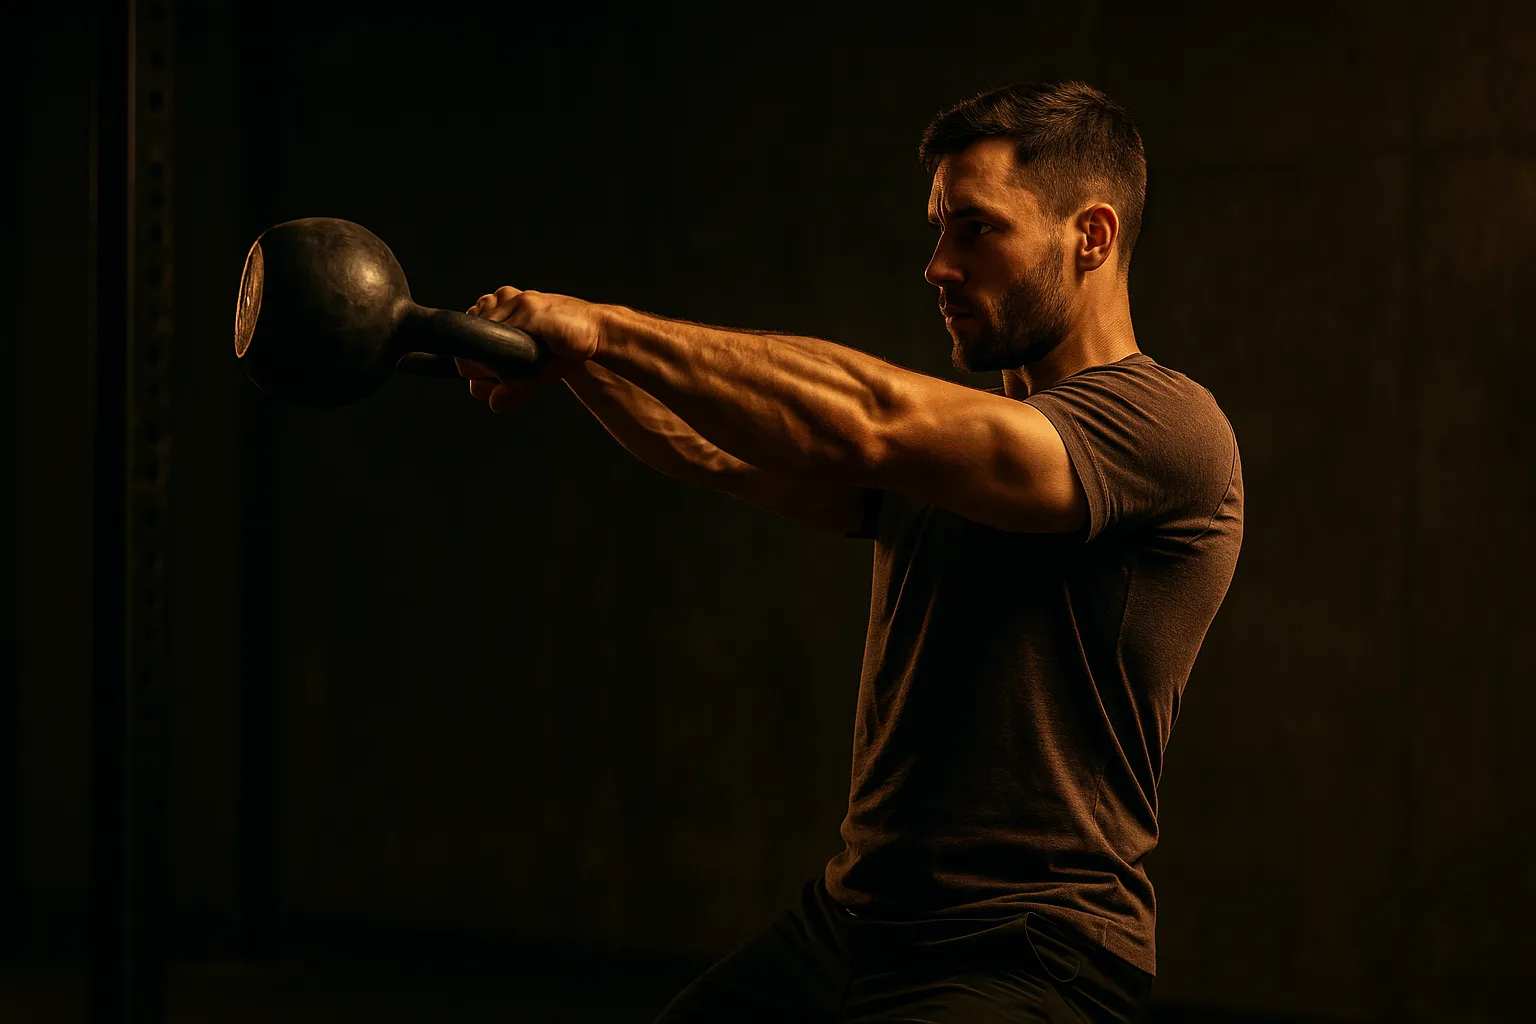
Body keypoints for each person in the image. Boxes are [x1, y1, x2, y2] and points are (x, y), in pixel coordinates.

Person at [456, 80, 1243, 1023]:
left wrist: (601, 327)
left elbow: (870, 420)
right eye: (938, 229)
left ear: (1092, 236)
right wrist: (581, 365)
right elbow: (708, 451)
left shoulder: (1164, 427)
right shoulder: (962, 449)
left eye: (977, 230)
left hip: (1027, 951)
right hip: (854, 922)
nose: (938, 266)